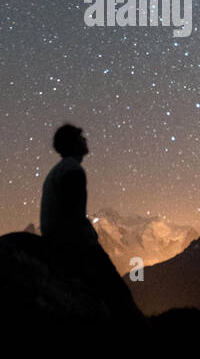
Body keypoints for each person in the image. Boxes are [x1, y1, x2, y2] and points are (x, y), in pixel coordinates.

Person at [39, 124, 140, 320]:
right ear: (74, 143)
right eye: (81, 137)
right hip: (75, 245)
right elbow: (73, 213)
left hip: (58, 241)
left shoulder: (58, 170)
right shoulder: (73, 170)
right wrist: (88, 240)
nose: (85, 140)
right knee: (118, 295)